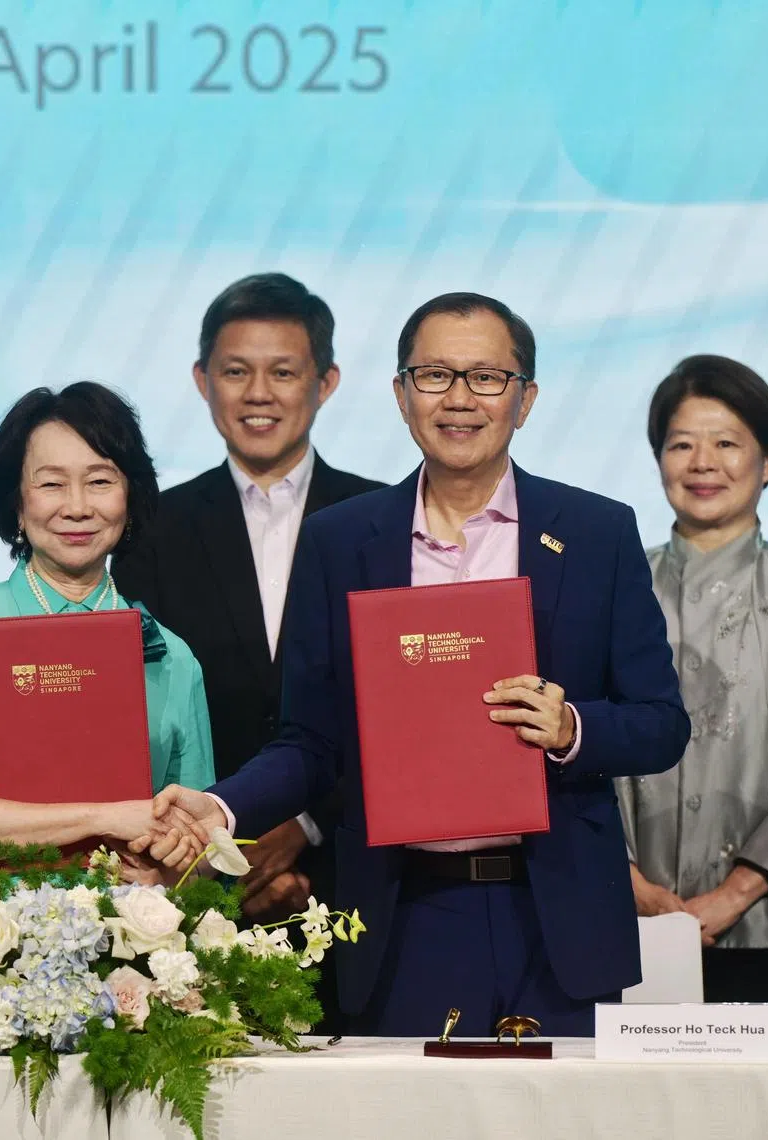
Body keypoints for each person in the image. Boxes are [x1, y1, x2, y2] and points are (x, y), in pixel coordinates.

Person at [143, 292, 690, 1036]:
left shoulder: (596, 531)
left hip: (556, 912)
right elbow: (311, 739)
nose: (459, 399)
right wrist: (224, 807)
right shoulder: (342, 542)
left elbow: (661, 725)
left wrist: (569, 727)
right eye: (434, 376)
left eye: (487, 378)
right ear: (401, 395)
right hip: (404, 917)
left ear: (525, 399)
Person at [0, 382, 215, 972]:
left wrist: (171, 858)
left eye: (100, 480)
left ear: (131, 495)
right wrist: (103, 818)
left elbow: (195, 855)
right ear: (16, 500)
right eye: (50, 483)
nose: (76, 506)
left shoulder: (172, 656)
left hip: (125, 964)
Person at [113, 273, 383, 923]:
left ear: (326, 383)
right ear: (203, 380)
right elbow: (138, 713)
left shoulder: (380, 522)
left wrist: (306, 829)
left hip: (357, 878)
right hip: (193, 883)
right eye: (236, 371)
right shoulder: (150, 529)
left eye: (283, 372)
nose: (258, 394)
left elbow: (400, 713)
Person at [617, 355, 768, 1013]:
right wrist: (629, 884)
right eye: (681, 444)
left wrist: (737, 893)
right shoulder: (614, 589)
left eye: (727, 444)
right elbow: (569, 750)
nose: (702, 463)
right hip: (626, 933)